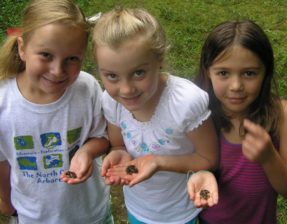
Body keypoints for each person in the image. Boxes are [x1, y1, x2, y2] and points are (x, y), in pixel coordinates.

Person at [92, 7, 219, 224]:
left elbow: (208, 159)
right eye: (112, 76)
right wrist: (118, 153)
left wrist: (158, 162)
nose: (126, 89)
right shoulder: (112, 101)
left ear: (159, 59)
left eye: (138, 73)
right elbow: (118, 144)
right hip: (138, 208)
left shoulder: (184, 102)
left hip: (180, 210)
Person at [0, 0, 114, 223]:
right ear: (23, 48)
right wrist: (6, 201)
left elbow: (103, 137)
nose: (57, 71)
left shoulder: (87, 88)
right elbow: (2, 162)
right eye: (45, 55)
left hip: (92, 214)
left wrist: (87, 152)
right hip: (34, 216)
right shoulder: (4, 102)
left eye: (72, 59)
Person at [188, 20, 287, 223]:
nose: (236, 86)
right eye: (223, 73)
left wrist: (269, 159)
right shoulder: (198, 115)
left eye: (249, 73)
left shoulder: (283, 116)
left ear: (266, 72)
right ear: (208, 72)